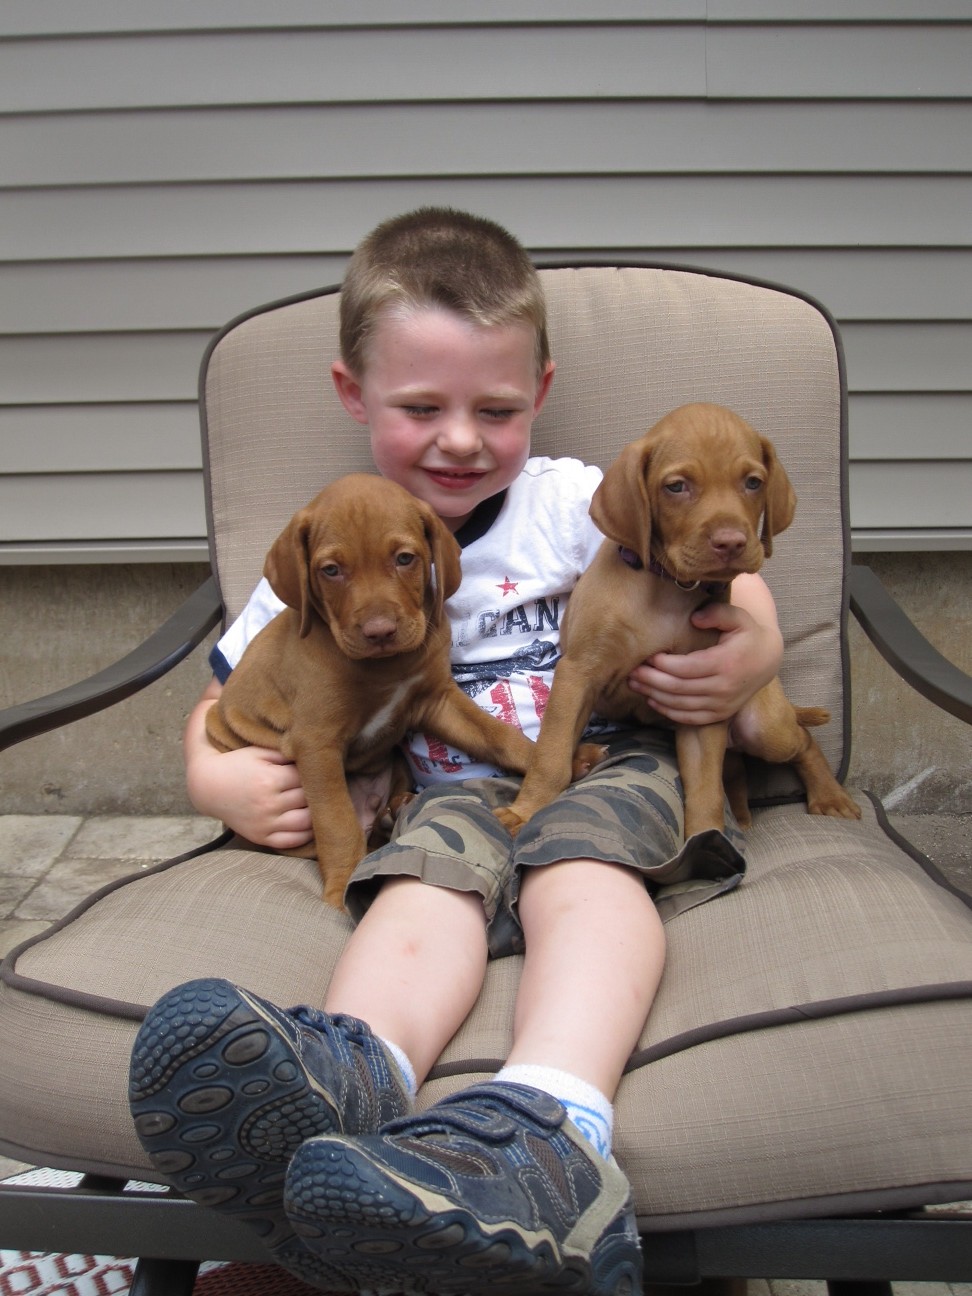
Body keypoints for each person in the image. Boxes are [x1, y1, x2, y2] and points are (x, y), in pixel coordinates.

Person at [129, 207, 784, 1295]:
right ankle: (348, 1077)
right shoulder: (319, 545)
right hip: (448, 799)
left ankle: (546, 1129)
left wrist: (750, 643)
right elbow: (227, 692)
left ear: (541, 393)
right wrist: (218, 775)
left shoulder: (572, 504)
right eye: (420, 406)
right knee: (419, 890)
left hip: (595, 767)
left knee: (585, 874)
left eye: (498, 407)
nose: (463, 439)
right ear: (353, 395)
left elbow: (720, 557)